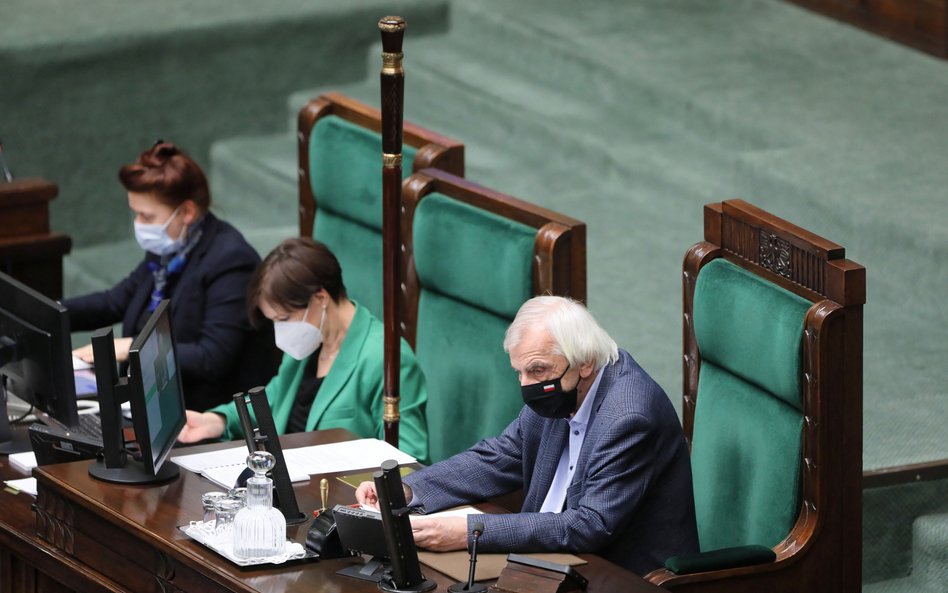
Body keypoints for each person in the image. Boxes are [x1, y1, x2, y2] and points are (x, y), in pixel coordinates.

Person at [356, 295, 698, 575]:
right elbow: (499, 456)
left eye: (537, 370)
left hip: (617, 575)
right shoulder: (560, 387)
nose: (527, 386)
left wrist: (469, 532)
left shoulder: (628, 416)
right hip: (547, 561)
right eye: (519, 372)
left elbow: (589, 526)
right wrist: (409, 488)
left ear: (586, 362)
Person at [177, 237, 429, 463]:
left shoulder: (385, 359)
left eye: (284, 319)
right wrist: (216, 421)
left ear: (320, 299)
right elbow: (271, 401)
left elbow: (410, 458)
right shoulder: (309, 343)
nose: (280, 331)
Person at [65, 141, 274, 411]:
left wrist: (134, 347)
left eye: (147, 216)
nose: (139, 225)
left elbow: (211, 357)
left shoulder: (231, 261)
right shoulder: (169, 248)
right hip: (150, 400)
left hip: (202, 413)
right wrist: (49, 312)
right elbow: (115, 301)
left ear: (186, 212)